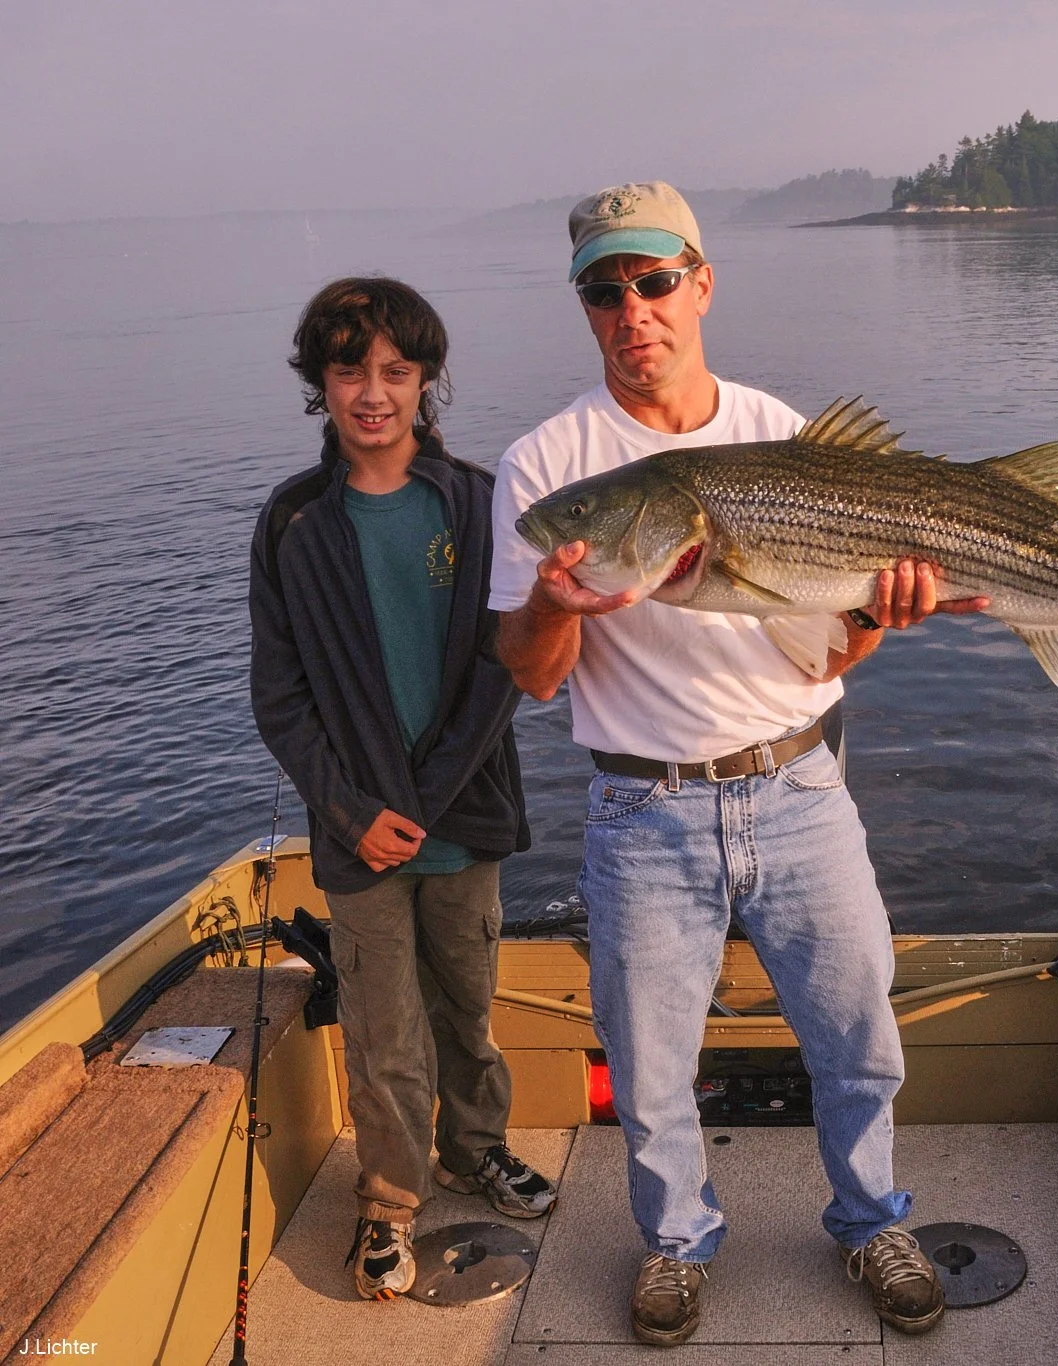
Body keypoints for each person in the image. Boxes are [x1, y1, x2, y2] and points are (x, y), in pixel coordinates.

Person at [491, 183, 987, 1346]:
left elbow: (829, 654)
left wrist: (881, 614)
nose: (634, 311)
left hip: (800, 786)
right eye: (604, 291)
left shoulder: (780, 432)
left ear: (701, 282)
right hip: (640, 805)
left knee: (858, 1031)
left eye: (655, 281)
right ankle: (674, 1242)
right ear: (585, 306)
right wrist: (561, 604)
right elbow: (530, 673)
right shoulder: (549, 465)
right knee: (651, 1063)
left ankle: (871, 1218)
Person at [249, 278, 555, 1302]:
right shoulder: (291, 523)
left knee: (467, 1010)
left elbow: (508, 666)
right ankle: (387, 1201)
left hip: (463, 822)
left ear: (425, 379)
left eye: (394, 370)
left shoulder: (478, 502)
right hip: (356, 841)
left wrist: (419, 801)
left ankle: (477, 1149)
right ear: (320, 384)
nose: (372, 393)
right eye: (350, 371)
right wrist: (349, 812)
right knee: (385, 1035)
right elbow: (280, 701)